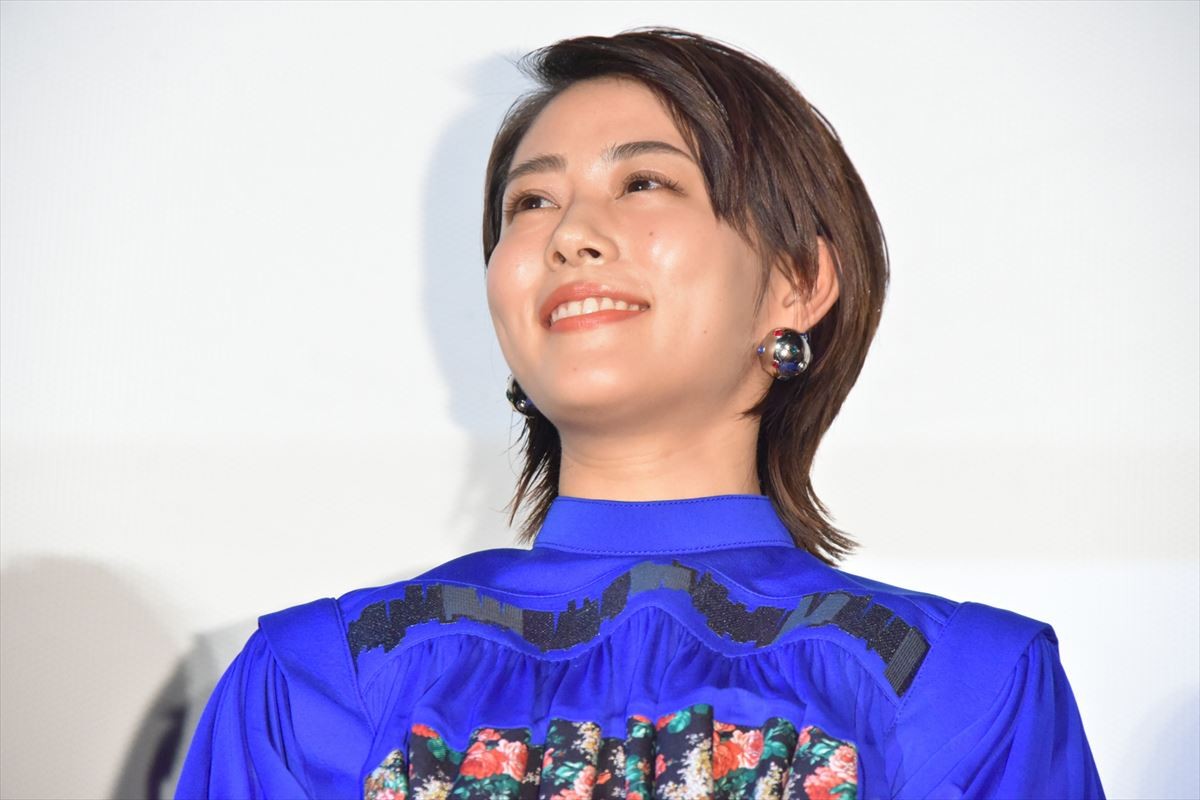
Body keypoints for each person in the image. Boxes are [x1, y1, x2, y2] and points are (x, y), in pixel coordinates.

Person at [175, 27, 1105, 800]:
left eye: (643, 183)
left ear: (797, 281)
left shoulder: (962, 690)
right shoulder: (314, 682)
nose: (570, 234)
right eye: (531, 201)